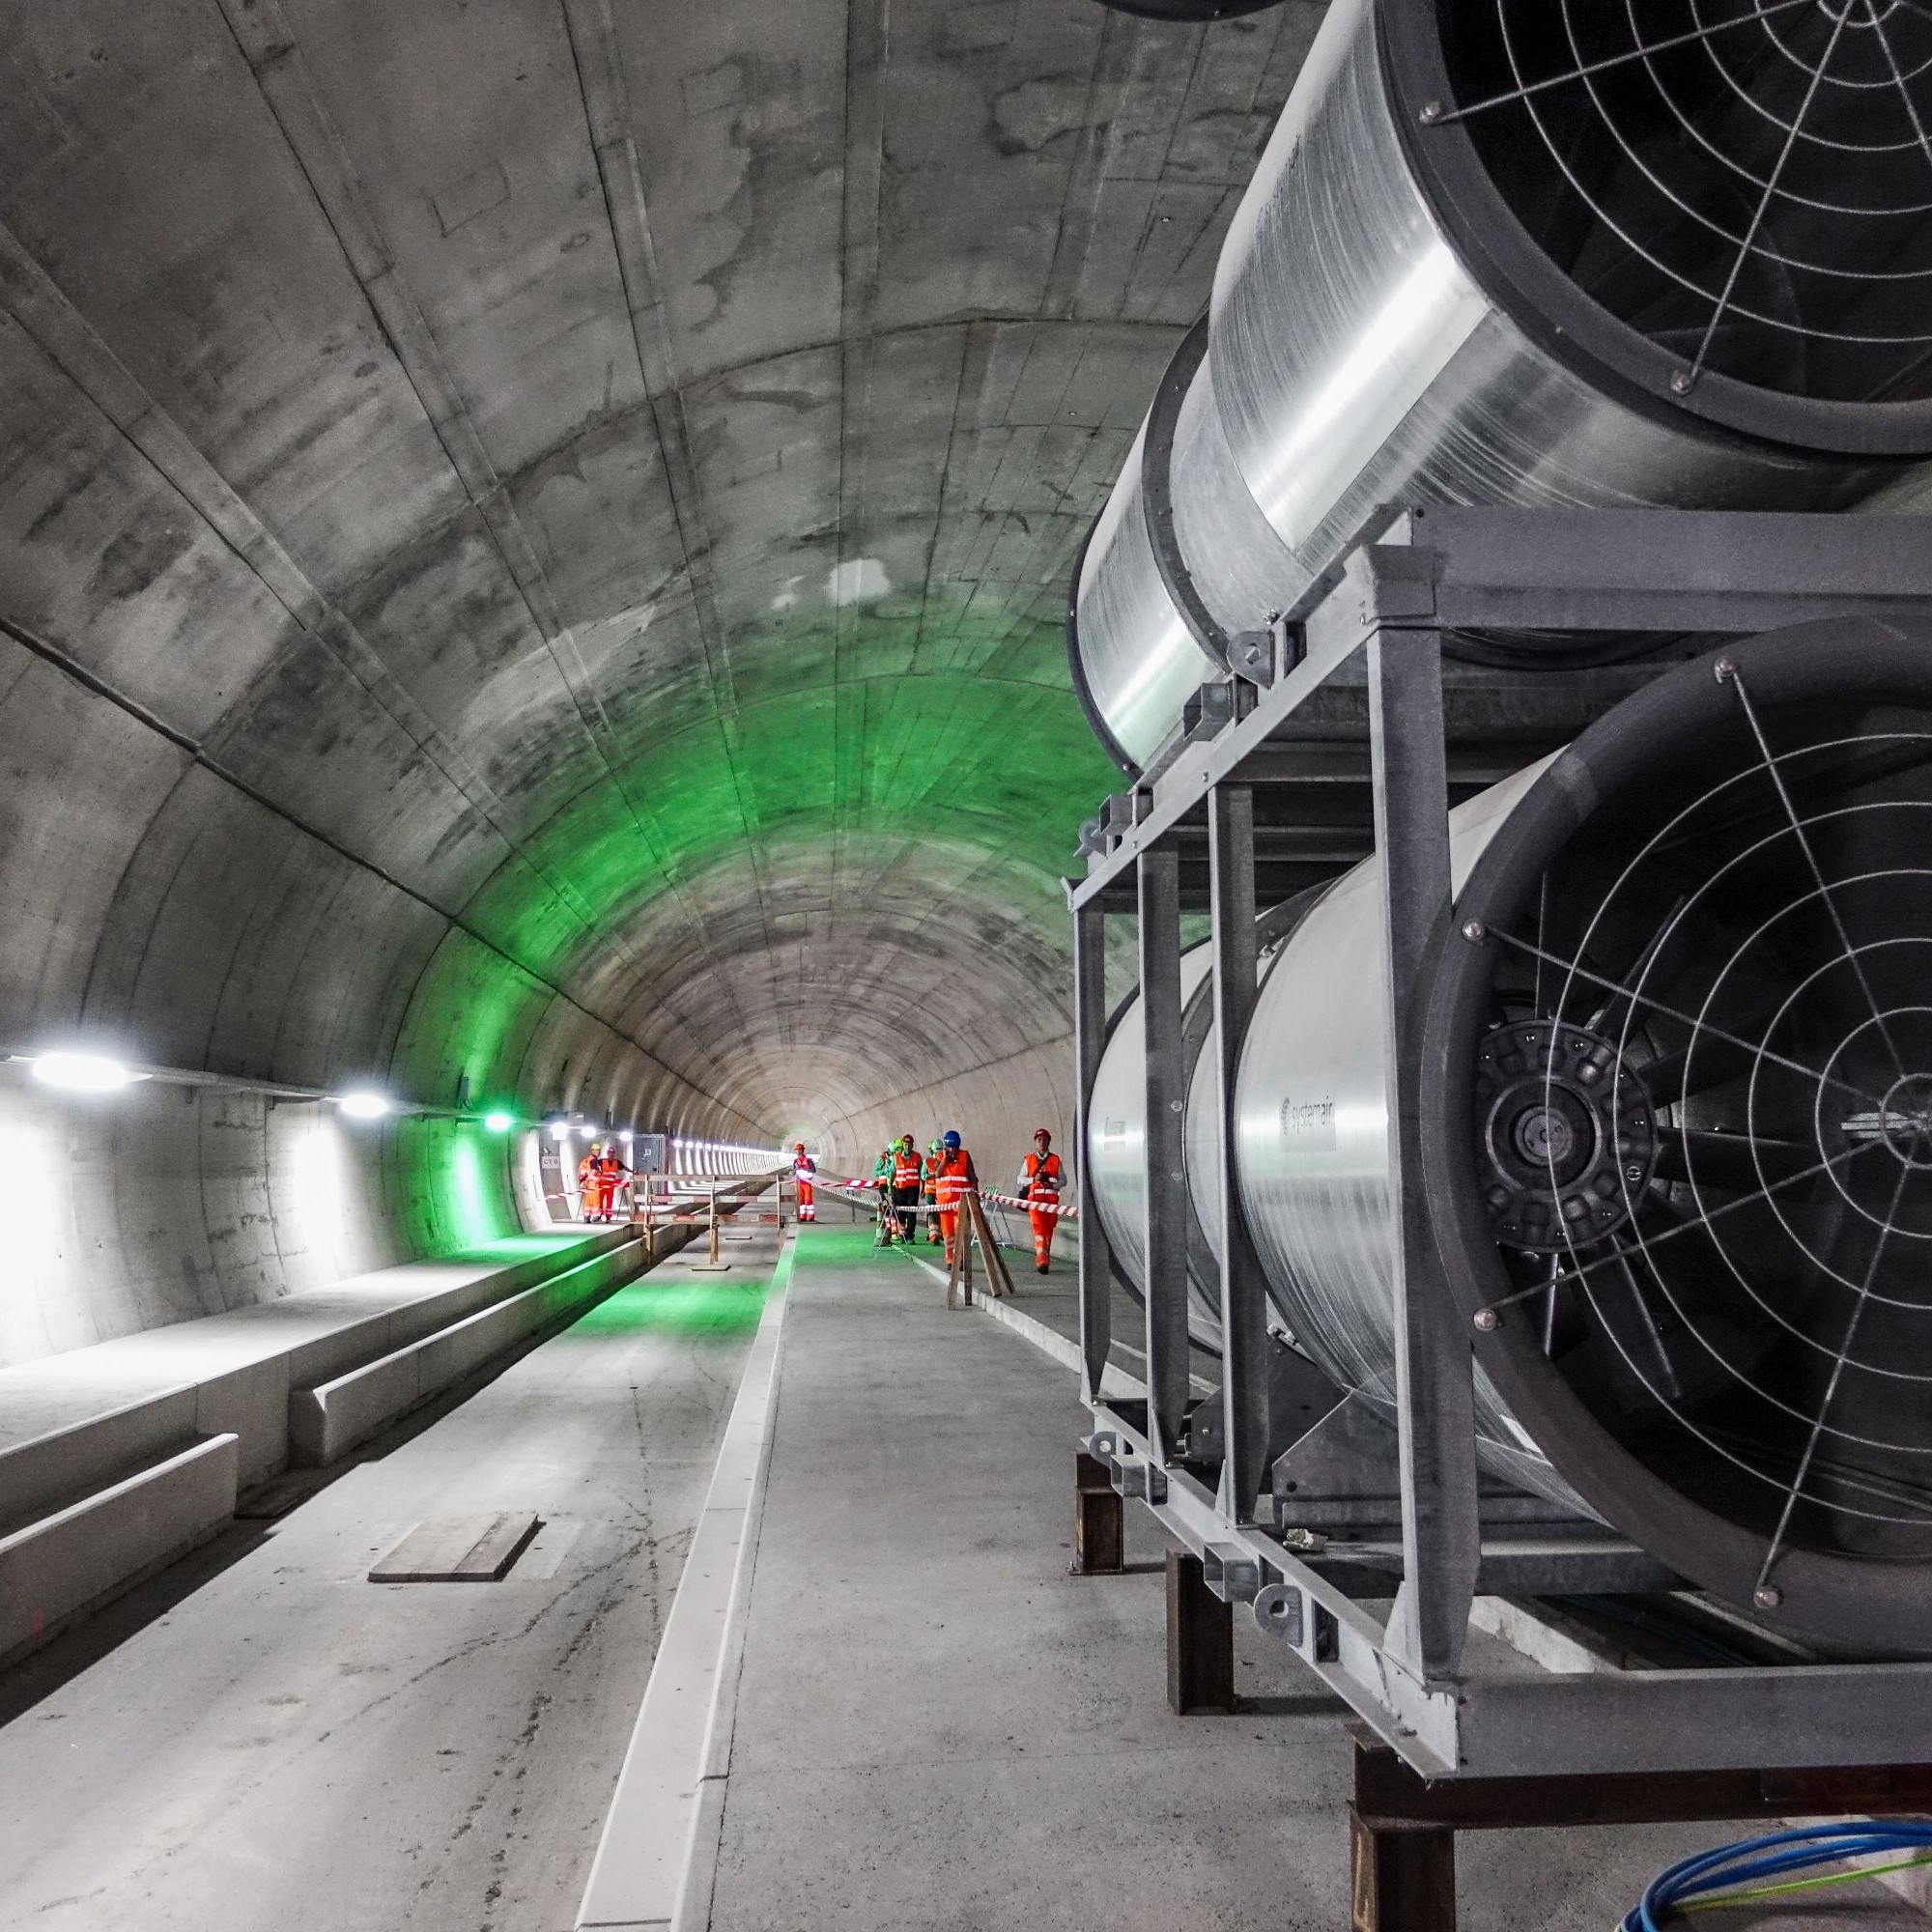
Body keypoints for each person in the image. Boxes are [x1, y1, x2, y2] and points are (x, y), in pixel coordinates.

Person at [1017, 1128, 1065, 1274]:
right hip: (1035, 1201)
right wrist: (1033, 1179)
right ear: (1035, 1142)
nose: (1042, 1142)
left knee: (1048, 1231)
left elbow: (1063, 1179)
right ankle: (1041, 1259)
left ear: (1049, 1142)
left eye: (1045, 1140)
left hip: (1051, 1201)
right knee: (1039, 1229)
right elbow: (1020, 1179)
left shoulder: (1055, 1160)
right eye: (1039, 1140)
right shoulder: (1029, 1160)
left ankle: (1045, 1257)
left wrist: (1054, 1185)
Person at [929, 1128, 978, 1268]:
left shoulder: (964, 1156)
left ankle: (960, 1259)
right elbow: (937, 1174)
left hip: (960, 1202)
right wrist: (945, 1158)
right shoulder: (939, 1157)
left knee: (960, 1231)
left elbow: (972, 1176)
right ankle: (950, 1259)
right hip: (945, 1204)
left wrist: (975, 1192)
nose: (952, 1150)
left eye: (954, 1147)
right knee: (947, 1232)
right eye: (949, 1147)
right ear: (945, 1146)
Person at [889, 1134, 923, 1246]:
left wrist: (923, 1188)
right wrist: (890, 1187)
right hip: (900, 1189)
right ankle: (902, 1233)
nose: (907, 1146)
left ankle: (910, 1235)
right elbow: (892, 1173)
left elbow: (921, 1174)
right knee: (901, 1212)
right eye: (905, 1144)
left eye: (909, 1144)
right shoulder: (897, 1157)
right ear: (903, 1145)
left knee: (911, 1213)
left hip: (913, 1189)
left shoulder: (917, 1157)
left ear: (912, 1145)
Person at [595, 1142, 634, 1223]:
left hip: (610, 1185)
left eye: (612, 1152)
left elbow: (624, 1168)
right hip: (602, 1184)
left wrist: (632, 1171)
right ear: (607, 1153)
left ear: (614, 1153)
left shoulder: (617, 1163)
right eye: (609, 1152)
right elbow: (593, 1165)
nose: (610, 1154)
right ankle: (599, 1215)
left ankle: (608, 1216)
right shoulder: (602, 1161)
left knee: (609, 1201)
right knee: (600, 1200)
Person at [578, 1142, 608, 1223]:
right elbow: (593, 1171)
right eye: (598, 1150)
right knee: (595, 1199)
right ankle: (596, 1215)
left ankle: (587, 1216)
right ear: (594, 1151)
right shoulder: (594, 1160)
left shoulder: (586, 1160)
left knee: (588, 1200)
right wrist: (596, 1178)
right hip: (593, 1184)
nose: (599, 1152)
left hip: (588, 1183)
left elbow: (583, 1172)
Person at [923, 1139, 944, 1245]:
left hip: (940, 1191)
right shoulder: (928, 1162)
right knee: (933, 1211)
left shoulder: (944, 1160)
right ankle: (934, 1234)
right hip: (932, 1191)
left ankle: (937, 1233)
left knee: (939, 1211)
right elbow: (922, 1175)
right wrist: (931, 1175)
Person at [790, 1141, 817, 1223]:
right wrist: (797, 1168)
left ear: (802, 1150)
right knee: (801, 1200)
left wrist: (804, 1168)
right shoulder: (795, 1161)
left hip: (807, 1183)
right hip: (799, 1184)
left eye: (799, 1150)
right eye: (797, 1150)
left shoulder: (809, 1161)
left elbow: (813, 1170)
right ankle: (802, 1216)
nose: (798, 1151)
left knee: (808, 1199)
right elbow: (793, 1172)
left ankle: (811, 1216)